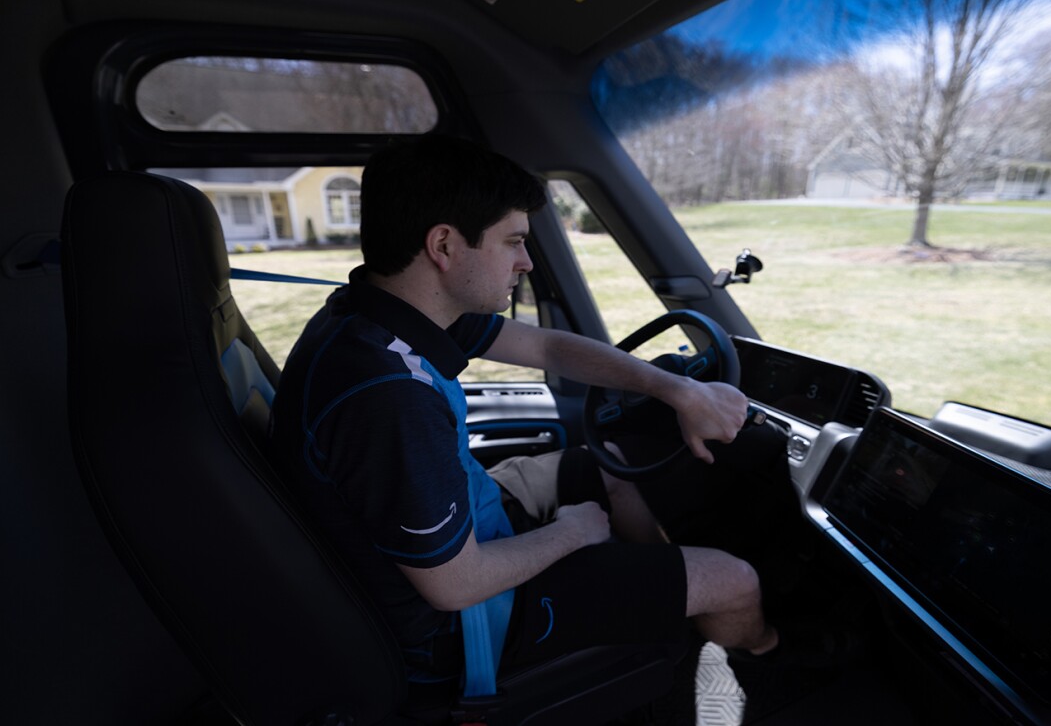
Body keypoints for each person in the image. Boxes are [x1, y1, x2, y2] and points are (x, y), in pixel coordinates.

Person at [269, 134, 794, 719]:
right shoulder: (386, 394)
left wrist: (675, 387)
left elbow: (548, 346)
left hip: (469, 526)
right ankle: (773, 665)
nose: (526, 261)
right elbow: (455, 586)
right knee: (736, 580)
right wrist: (574, 533)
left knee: (613, 466)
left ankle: (652, 612)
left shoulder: (382, 315)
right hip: (461, 629)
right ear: (444, 244)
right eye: (514, 241)